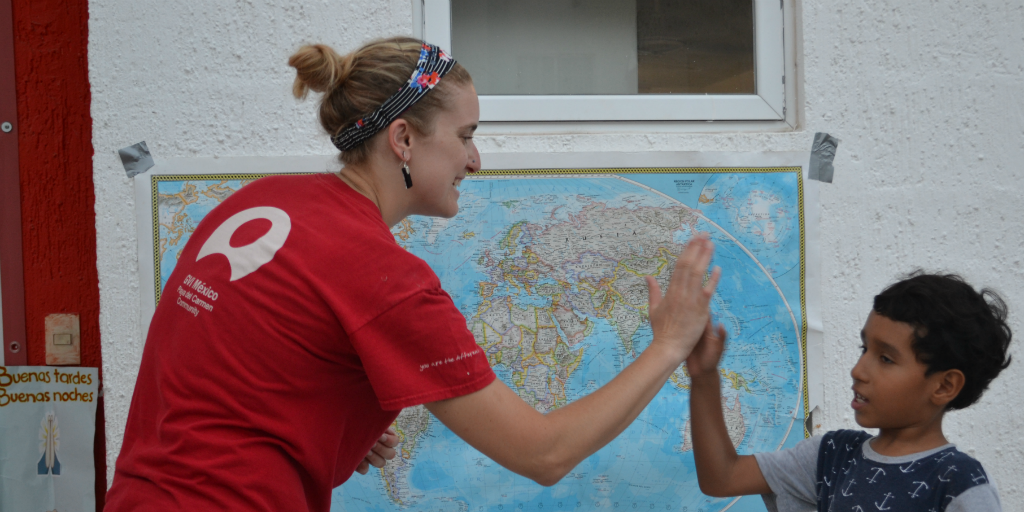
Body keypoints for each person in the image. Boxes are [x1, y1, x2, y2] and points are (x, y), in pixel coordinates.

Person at [105, 37, 723, 512]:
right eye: (465, 136)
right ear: (402, 138)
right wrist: (670, 343)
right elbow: (544, 452)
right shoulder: (380, 275)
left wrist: (334, 419)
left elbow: (236, 369)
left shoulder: (257, 203)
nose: (475, 160)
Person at [687, 271, 1012, 511]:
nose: (858, 370)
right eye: (864, 348)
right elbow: (723, 477)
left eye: (885, 358)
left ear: (944, 385)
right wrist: (704, 377)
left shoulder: (959, 483)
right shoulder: (830, 457)